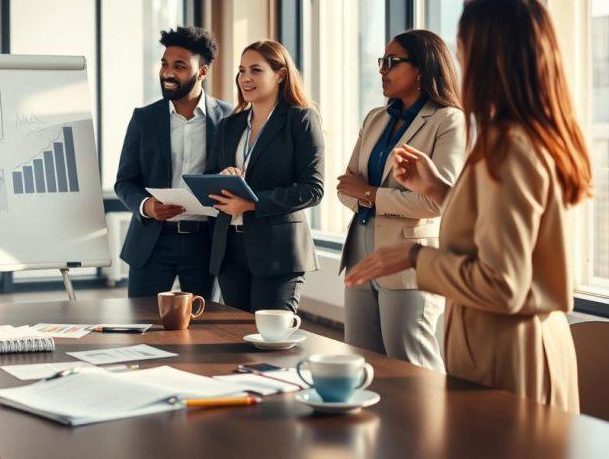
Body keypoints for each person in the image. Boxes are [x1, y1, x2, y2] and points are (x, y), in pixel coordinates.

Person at [346, 0, 591, 412]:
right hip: (509, 346)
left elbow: (505, 283)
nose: (460, 63)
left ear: (491, 57)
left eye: (463, 49)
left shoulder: (510, 145)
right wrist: (437, 188)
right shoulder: (527, 135)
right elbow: (500, 232)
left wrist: (415, 258)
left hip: (509, 357)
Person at [336, 29, 465, 372]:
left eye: (392, 62)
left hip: (409, 256)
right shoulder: (376, 118)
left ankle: (426, 428)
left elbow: (438, 201)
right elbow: (344, 186)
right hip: (361, 249)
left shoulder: (447, 120)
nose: (382, 69)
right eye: (382, 61)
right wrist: (366, 195)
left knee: (412, 364)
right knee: (360, 361)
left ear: (421, 69)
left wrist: (371, 194)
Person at [205, 40, 324, 313]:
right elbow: (209, 175)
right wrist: (223, 177)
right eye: (242, 70)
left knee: (271, 336)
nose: (245, 78)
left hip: (278, 251)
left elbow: (312, 189)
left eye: (256, 70)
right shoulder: (229, 125)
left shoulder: (301, 120)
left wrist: (252, 204)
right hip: (230, 248)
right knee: (235, 337)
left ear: (280, 74)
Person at [115, 26, 233, 299]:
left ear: (202, 72)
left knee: (200, 327)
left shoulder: (229, 118)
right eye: (165, 64)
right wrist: (147, 206)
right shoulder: (144, 119)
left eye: (179, 66)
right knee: (141, 322)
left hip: (206, 242)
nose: (168, 73)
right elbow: (124, 181)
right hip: (152, 241)